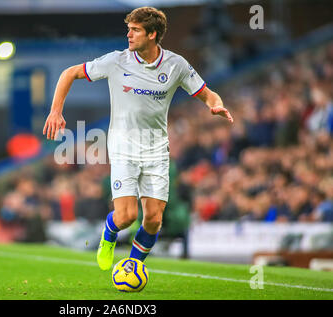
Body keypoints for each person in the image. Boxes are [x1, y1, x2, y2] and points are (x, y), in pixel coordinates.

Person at [43, 7, 233, 270]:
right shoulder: (116, 61)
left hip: (157, 151)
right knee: (126, 216)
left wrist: (216, 105)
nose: (128, 35)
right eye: (128, 29)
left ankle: (132, 266)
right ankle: (108, 237)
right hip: (123, 148)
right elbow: (69, 73)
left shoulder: (176, 65)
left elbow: (208, 93)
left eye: (135, 30)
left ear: (152, 34)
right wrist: (56, 111)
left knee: (154, 219)